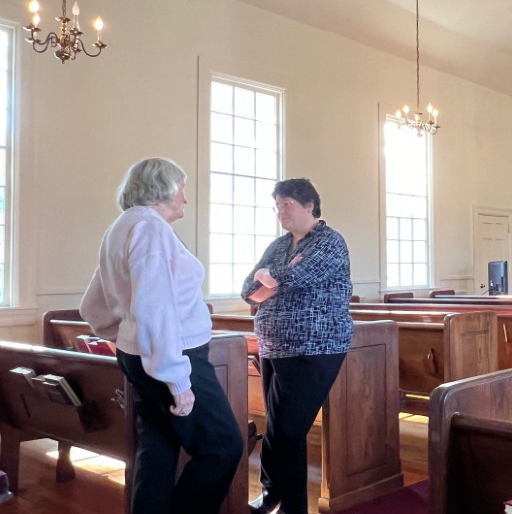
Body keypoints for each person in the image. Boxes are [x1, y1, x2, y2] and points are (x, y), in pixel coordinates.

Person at [80, 158, 242, 514]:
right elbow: (156, 308)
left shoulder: (123, 226)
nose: (185, 198)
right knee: (223, 446)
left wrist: (126, 336)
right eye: (182, 189)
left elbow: (93, 305)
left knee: (157, 446)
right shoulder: (150, 229)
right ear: (163, 189)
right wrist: (176, 378)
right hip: (172, 357)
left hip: (143, 354)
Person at [242, 178, 354, 514]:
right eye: (277, 206)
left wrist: (272, 277)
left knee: (289, 430)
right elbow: (248, 290)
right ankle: (271, 493)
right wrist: (272, 277)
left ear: (310, 205)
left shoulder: (329, 241)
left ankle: (291, 506)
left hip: (315, 346)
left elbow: (297, 277)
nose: (281, 211)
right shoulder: (279, 245)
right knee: (277, 426)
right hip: (273, 346)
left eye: (287, 204)